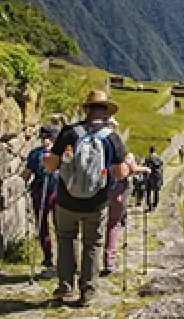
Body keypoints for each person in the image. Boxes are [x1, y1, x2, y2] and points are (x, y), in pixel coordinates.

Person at [43, 90, 129, 307]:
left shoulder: (69, 133)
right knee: (92, 244)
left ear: (87, 110)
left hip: (66, 199)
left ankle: (65, 286)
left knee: (65, 239)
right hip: (96, 202)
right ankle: (87, 291)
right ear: (106, 112)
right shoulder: (111, 138)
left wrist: (48, 159)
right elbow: (120, 173)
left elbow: (51, 166)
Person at [102, 116, 150, 277]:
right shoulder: (119, 148)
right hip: (116, 190)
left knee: (92, 225)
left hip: (94, 190)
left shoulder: (91, 143)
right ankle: (109, 260)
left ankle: (87, 262)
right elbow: (131, 168)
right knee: (113, 224)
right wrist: (145, 170)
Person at [20, 125, 59, 269]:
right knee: (60, 227)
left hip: (42, 192)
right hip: (56, 192)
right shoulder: (60, 154)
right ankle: (62, 257)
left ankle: (48, 256)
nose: (45, 140)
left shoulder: (36, 154)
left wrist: (23, 176)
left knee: (43, 225)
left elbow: (27, 174)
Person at [144, 146, 164, 212]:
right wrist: (161, 179)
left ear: (150, 151)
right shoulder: (159, 159)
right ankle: (155, 205)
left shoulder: (148, 159)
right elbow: (161, 169)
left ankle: (150, 207)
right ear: (155, 151)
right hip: (158, 177)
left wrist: (145, 177)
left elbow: (146, 168)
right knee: (156, 191)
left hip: (150, 177)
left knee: (148, 192)